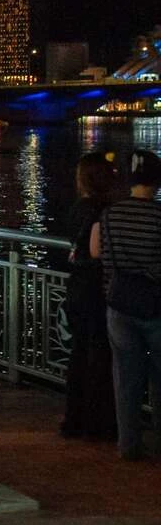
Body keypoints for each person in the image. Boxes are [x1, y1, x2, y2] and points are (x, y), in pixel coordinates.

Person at [93, 149, 161, 462]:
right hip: (155, 305)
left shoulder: (110, 214)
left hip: (119, 305)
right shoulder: (158, 216)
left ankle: (128, 444)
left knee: (125, 380)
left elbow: (105, 258)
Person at [61, 151, 121, 441]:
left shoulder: (76, 209)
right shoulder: (100, 210)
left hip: (75, 287)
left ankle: (73, 419)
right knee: (99, 355)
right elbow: (97, 251)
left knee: (78, 353)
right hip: (95, 289)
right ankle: (97, 424)